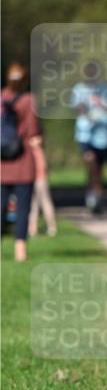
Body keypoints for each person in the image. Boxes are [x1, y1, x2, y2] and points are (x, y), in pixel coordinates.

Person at [1, 62, 42, 262]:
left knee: (1, 205)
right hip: (24, 162)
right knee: (23, 207)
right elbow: (34, 133)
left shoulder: (1, 98)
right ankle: (20, 250)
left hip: (2, 164)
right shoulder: (29, 100)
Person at [69, 60, 107, 213]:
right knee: (91, 162)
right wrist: (85, 108)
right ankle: (92, 196)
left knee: (99, 168)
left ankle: (96, 196)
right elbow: (76, 107)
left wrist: (102, 103)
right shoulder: (79, 89)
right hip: (85, 134)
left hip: (103, 136)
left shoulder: (106, 89)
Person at [28, 137, 57, 238]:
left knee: (40, 204)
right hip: (39, 180)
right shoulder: (38, 151)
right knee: (37, 205)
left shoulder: (35, 152)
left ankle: (48, 226)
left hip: (38, 180)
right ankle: (35, 228)